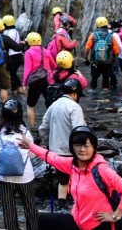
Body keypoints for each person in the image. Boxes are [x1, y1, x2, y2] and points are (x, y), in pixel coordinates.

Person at [19, 125, 122, 230]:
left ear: (94, 148)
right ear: (72, 147)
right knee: (38, 219)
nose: (82, 150)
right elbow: (51, 157)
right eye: (78, 145)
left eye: (86, 146)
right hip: (78, 222)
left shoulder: (101, 169)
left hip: (99, 225)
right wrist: (30, 146)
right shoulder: (72, 165)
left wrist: (115, 216)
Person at [0, 99, 40, 230]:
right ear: (20, 114)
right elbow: (32, 154)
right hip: (25, 177)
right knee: (30, 208)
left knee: (8, 211)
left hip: (4, 177)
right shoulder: (24, 133)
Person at [38, 78, 87, 209]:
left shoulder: (53, 105)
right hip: (71, 152)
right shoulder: (75, 107)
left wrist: (47, 144)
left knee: (63, 181)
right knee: (79, 179)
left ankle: (61, 205)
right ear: (75, 94)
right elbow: (79, 130)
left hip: (56, 152)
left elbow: (43, 128)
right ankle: (80, 206)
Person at [22, 32, 57, 128]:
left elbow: (27, 69)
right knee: (50, 104)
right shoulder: (46, 51)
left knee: (30, 105)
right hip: (48, 80)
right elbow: (54, 66)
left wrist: (24, 84)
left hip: (35, 82)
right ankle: (53, 126)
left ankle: (32, 128)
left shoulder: (28, 52)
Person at [84, 17, 120, 91]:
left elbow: (87, 48)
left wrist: (85, 58)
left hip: (95, 61)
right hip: (107, 62)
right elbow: (117, 51)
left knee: (94, 78)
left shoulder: (93, 35)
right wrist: (113, 60)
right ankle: (105, 95)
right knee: (106, 78)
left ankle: (93, 94)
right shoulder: (111, 36)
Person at [3, 15, 25, 97]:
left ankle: (18, 90)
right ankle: (16, 90)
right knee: (13, 74)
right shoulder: (15, 31)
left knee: (12, 74)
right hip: (18, 55)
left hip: (11, 56)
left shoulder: (6, 33)